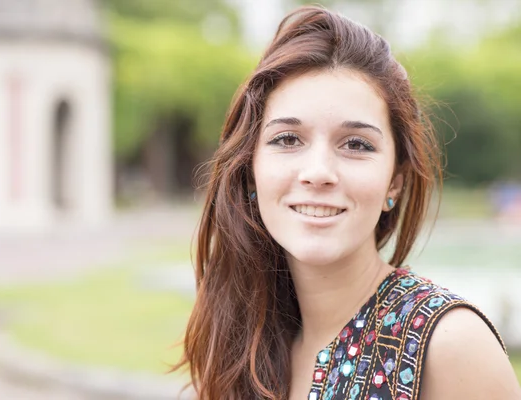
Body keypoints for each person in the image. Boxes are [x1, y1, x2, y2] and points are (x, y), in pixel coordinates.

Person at [174, 5, 521, 399]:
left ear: (395, 182)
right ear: (250, 170)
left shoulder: (448, 344)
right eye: (287, 139)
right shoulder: (245, 345)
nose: (318, 171)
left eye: (356, 144)